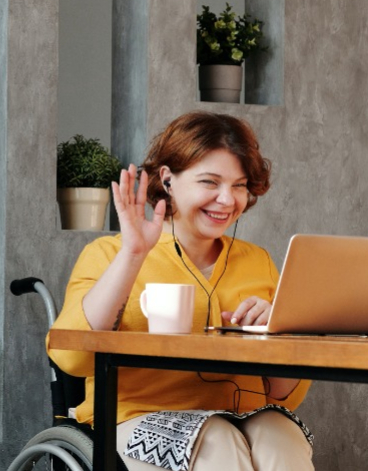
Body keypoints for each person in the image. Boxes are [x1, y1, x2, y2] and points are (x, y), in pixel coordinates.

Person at [47, 111, 314, 471]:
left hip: (245, 416)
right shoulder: (108, 255)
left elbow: (282, 393)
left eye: (238, 185)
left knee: (280, 437)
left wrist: (278, 333)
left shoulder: (258, 262)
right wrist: (133, 254)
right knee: (217, 440)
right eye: (210, 182)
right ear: (168, 179)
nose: (227, 199)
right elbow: (72, 359)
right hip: (135, 418)